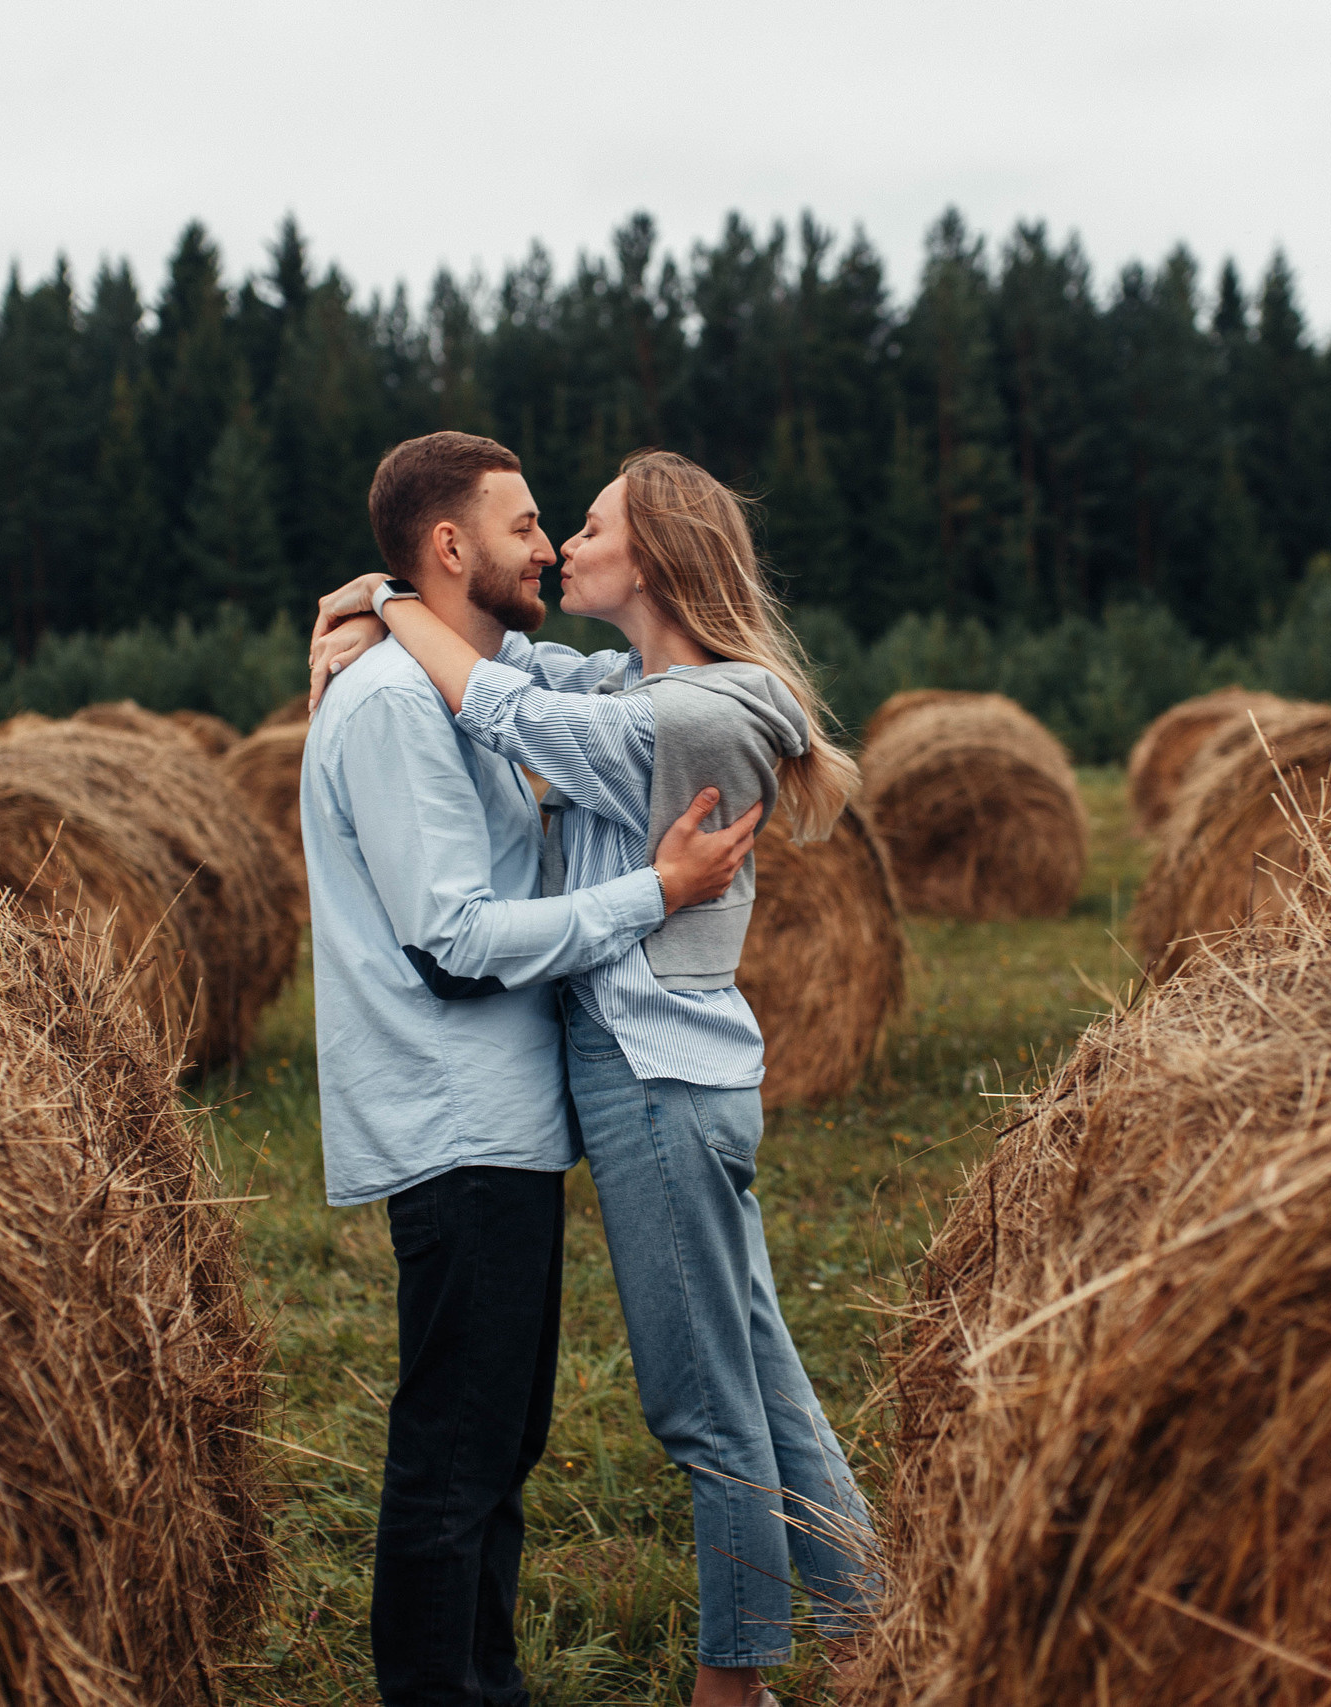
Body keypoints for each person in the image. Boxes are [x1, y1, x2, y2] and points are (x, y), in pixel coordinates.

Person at [310, 450, 879, 1707]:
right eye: (537, 523)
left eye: (585, 523)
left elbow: (510, 710)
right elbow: (521, 674)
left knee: (704, 1413)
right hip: (650, 1081)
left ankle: (732, 1690)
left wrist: (392, 608)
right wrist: (376, 593)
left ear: (659, 559)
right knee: (762, 1381)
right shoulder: (638, 682)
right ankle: (872, 1634)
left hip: (652, 1082)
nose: (562, 541)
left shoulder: (684, 714)